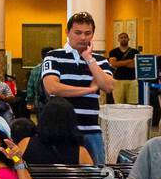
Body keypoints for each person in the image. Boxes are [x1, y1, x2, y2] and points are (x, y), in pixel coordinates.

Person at [41, 13, 114, 166]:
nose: (83, 38)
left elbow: (107, 86)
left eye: (88, 33)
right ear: (67, 32)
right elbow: (52, 87)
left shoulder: (99, 60)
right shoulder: (53, 57)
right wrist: (88, 90)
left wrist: (89, 58)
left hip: (91, 129)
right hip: (61, 131)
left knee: (97, 177)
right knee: (64, 177)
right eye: (78, 33)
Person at [17, 97, 94, 166]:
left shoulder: (25, 144)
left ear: (43, 119)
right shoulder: (80, 152)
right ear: (71, 122)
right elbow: (90, 177)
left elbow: (15, 163)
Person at [107, 32, 141, 106]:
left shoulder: (135, 51)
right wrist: (129, 61)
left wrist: (119, 63)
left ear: (128, 39)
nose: (123, 39)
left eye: (125, 37)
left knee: (133, 105)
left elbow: (134, 65)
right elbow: (113, 64)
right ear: (118, 39)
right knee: (118, 105)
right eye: (121, 37)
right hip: (118, 81)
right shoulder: (113, 52)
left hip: (132, 81)